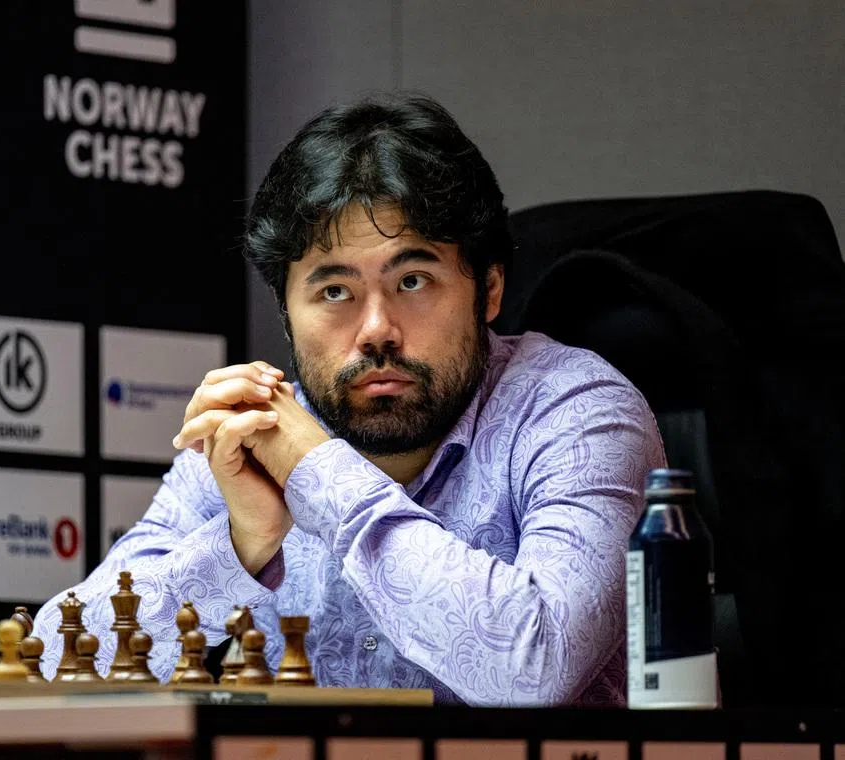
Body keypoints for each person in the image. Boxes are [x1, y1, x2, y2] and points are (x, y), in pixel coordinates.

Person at [33, 90, 666, 706]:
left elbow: (536, 667)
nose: (375, 330)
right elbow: (53, 668)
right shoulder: (253, 433)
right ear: (286, 313)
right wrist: (236, 544)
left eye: (413, 280)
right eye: (334, 291)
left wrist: (318, 473)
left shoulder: (581, 412)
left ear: (489, 290)